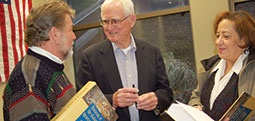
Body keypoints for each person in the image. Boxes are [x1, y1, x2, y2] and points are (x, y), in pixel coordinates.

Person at [76, 0, 173, 120]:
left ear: (132, 20)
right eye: (105, 22)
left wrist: (157, 100)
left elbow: (166, 92)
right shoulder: (89, 57)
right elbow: (82, 103)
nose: (110, 27)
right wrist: (113, 100)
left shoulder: (152, 52)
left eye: (115, 21)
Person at [2, 0, 77, 120]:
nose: (74, 36)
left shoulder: (50, 67)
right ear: (55, 34)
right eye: (70, 30)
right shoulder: (29, 79)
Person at [189, 10, 255, 120]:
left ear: (243, 40)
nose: (218, 41)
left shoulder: (251, 70)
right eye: (218, 35)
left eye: (226, 36)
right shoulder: (211, 68)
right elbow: (196, 96)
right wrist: (196, 106)